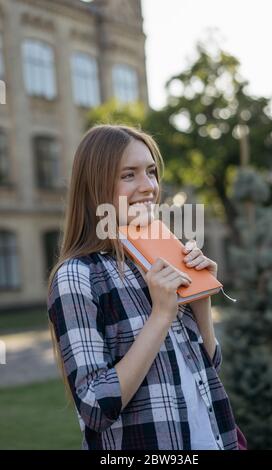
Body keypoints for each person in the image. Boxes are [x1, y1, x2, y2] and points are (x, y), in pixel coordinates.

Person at [47, 124, 240, 450]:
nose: (149, 185)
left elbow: (208, 368)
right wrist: (161, 314)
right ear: (96, 187)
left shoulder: (163, 256)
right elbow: (96, 406)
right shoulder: (78, 276)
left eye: (151, 172)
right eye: (129, 175)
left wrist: (200, 299)